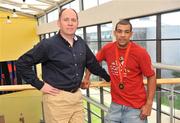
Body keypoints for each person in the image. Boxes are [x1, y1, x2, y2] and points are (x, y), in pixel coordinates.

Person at [16, 8, 110, 123]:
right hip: (56, 100)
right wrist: (40, 85)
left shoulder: (80, 43)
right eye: (66, 20)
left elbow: (93, 65)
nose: (70, 23)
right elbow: (21, 63)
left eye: (73, 20)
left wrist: (109, 79)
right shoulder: (48, 44)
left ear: (77, 23)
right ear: (58, 23)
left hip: (77, 97)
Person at [83, 19, 156, 123]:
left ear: (131, 34)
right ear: (115, 33)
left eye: (126, 32)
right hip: (115, 106)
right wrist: (86, 78)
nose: (122, 35)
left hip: (135, 108)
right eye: (119, 31)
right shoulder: (108, 49)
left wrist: (149, 104)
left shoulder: (140, 52)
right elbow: (92, 62)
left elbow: (151, 76)